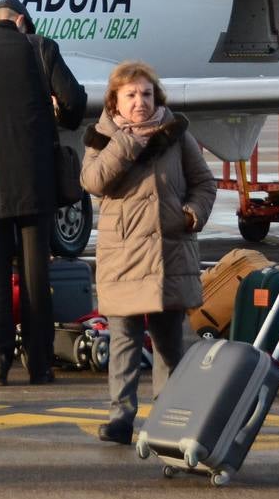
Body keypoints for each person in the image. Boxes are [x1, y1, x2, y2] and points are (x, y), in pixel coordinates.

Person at [0, 0, 86, 386]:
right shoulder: (40, 47)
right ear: (21, 21)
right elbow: (74, 102)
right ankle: (39, 364)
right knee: (35, 275)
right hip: (34, 183)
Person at [79, 61, 215, 444]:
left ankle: (168, 417)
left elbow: (204, 182)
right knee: (123, 340)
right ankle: (121, 417)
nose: (140, 102)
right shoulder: (101, 138)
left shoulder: (176, 133)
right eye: (131, 95)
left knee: (170, 345)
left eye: (146, 94)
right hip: (122, 253)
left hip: (168, 249)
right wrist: (127, 142)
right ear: (115, 102)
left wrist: (192, 213)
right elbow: (93, 181)